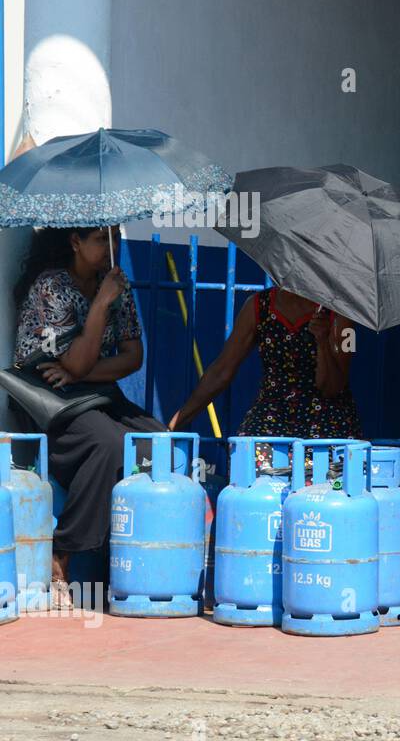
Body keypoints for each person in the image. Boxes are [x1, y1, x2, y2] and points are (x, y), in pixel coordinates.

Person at [11, 226, 165, 601]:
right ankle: (63, 552)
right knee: (109, 445)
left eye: (116, 239)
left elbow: (133, 357)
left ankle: (128, 553)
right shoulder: (52, 288)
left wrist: (82, 372)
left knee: (157, 442)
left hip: (89, 388)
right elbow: (72, 361)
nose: (111, 247)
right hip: (48, 396)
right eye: (100, 239)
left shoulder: (115, 284)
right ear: (75, 242)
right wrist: (99, 306)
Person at [167, 287, 363, 457]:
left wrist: (322, 341)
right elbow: (222, 370)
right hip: (271, 413)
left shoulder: (341, 315)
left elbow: (333, 386)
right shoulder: (258, 306)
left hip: (326, 421)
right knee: (247, 459)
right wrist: (178, 420)